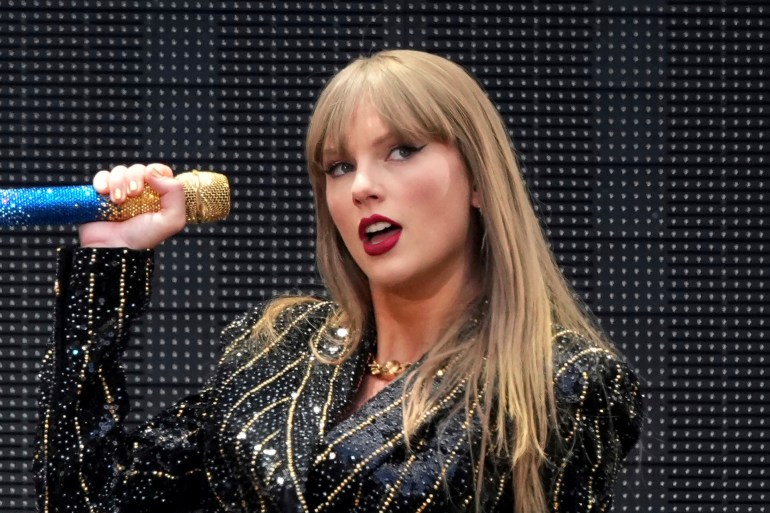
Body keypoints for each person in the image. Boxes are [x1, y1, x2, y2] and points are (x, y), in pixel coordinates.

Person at [34, 49, 643, 513]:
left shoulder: (560, 381)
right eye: (339, 165)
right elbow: (89, 496)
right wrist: (107, 263)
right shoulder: (274, 346)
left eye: (402, 150)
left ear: (480, 180)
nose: (361, 187)